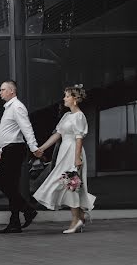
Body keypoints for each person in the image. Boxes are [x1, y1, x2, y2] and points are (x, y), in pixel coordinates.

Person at [32, 85, 96, 233]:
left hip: (73, 152)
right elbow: (57, 134)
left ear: (75, 99)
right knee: (66, 183)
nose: (64, 98)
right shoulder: (67, 116)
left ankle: (76, 220)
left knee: (70, 184)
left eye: (67, 96)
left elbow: (79, 138)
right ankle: (80, 216)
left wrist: (77, 159)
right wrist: (41, 148)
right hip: (64, 152)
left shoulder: (79, 116)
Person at [0, 80, 42, 234]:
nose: (0, 92)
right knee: (11, 186)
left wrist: (34, 147)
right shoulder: (8, 108)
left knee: (3, 184)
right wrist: (2, 149)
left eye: (3, 90)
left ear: (11, 91)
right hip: (9, 149)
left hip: (15, 150)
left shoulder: (17, 107)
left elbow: (26, 128)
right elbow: (9, 131)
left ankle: (27, 210)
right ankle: (15, 221)